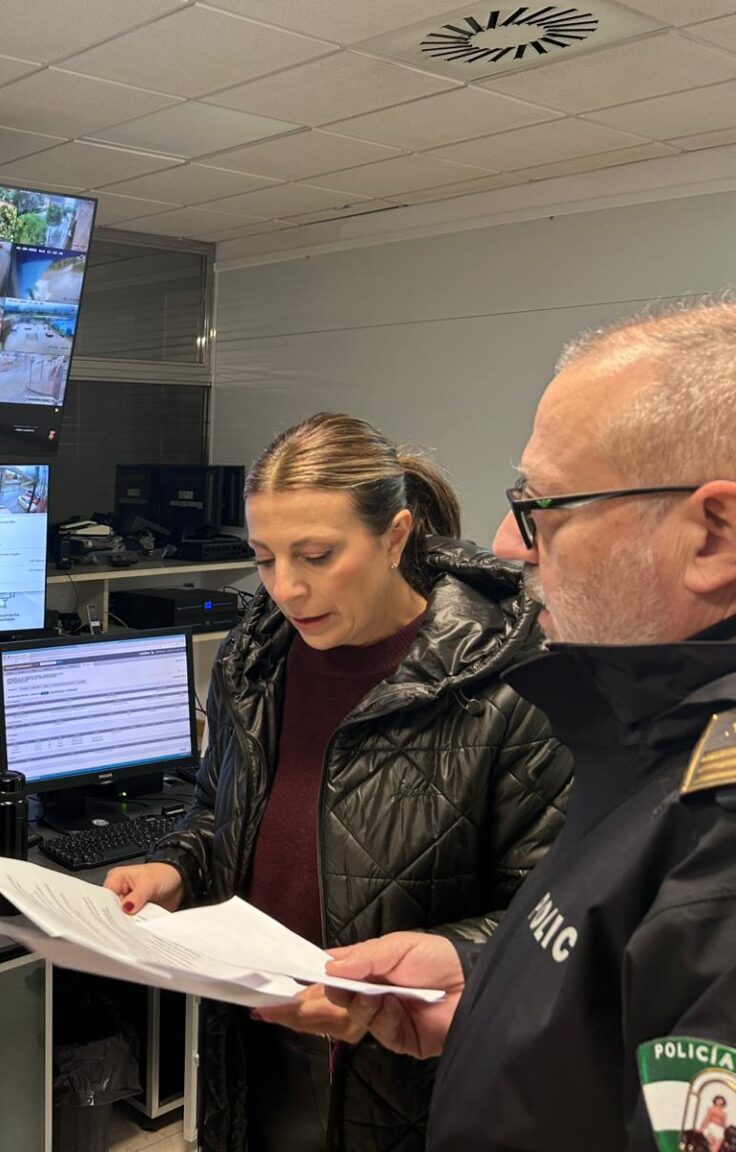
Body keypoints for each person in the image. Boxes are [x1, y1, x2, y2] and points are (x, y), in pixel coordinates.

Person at [320, 299, 736, 1149]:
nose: (509, 543)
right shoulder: (660, 739)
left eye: (544, 502)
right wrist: (487, 989)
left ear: (713, 536)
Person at [105, 413, 572, 1152]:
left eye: (317, 555)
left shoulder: (508, 684)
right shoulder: (251, 663)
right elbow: (216, 813)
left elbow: (548, 918)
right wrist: (173, 867)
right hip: (254, 1050)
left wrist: (400, 983)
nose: (287, 588)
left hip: (409, 1079)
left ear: (395, 536)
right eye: (264, 559)